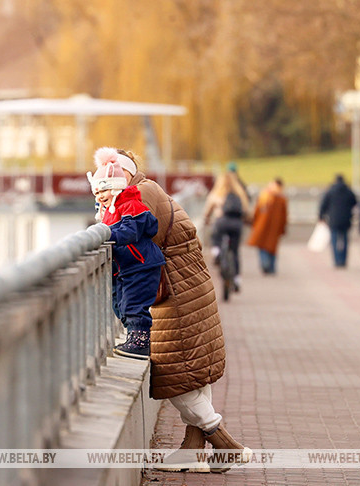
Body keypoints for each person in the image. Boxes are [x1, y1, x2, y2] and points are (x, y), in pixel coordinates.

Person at [96, 147, 251, 473]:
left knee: (175, 373)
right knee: (191, 371)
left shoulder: (139, 195)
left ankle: (226, 444)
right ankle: (192, 451)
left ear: (124, 173)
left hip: (177, 293)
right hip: (189, 287)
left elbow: (131, 238)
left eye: (112, 173)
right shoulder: (147, 188)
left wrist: (103, 225)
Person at [87, 152, 165, 359]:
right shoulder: (110, 210)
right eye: (97, 192)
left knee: (134, 304)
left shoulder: (130, 204)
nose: (100, 196)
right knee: (120, 304)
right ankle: (133, 337)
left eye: (104, 190)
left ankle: (140, 342)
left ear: (116, 186)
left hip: (141, 264)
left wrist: (108, 234)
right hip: (126, 267)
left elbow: (130, 231)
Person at [202, 170, 250, 290]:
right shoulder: (240, 194)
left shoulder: (217, 193)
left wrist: (207, 218)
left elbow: (207, 210)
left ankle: (217, 252)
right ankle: (237, 279)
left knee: (215, 237)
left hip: (221, 222)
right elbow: (246, 210)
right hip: (237, 224)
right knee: (235, 251)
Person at [247, 178, 288, 275]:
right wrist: (283, 228)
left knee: (263, 246)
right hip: (274, 227)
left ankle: (265, 265)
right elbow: (284, 216)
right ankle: (271, 268)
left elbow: (257, 211)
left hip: (262, 226)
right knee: (272, 248)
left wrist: (254, 223)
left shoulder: (264, 195)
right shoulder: (281, 198)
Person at [318, 174, 357, 268]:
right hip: (346, 220)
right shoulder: (349, 191)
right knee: (345, 241)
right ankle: (343, 260)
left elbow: (323, 205)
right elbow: (355, 203)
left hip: (333, 220)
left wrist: (321, 217)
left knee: (334, 241)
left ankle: (337, 260)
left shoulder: (330, 191)